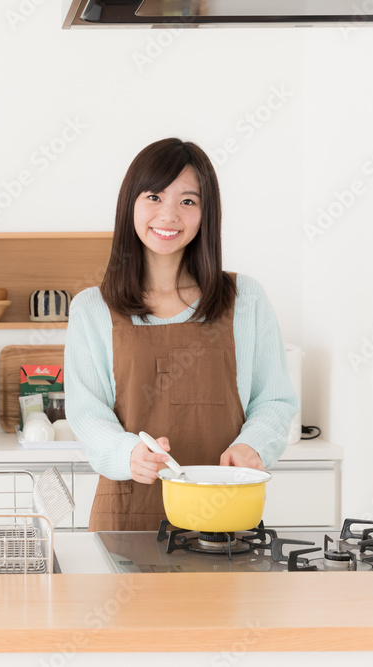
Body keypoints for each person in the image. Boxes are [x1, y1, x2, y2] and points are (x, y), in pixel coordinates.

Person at [65, 137, 298, 532]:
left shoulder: (246, 299)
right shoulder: (92, 308)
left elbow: (274, 398)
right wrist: (128, 454)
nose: (169, 215)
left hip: (225, 517)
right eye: (154, 196)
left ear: (207, 213)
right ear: (130, 205)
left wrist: (252, 445)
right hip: (127, 516)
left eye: (188, 201)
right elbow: (88, 413)